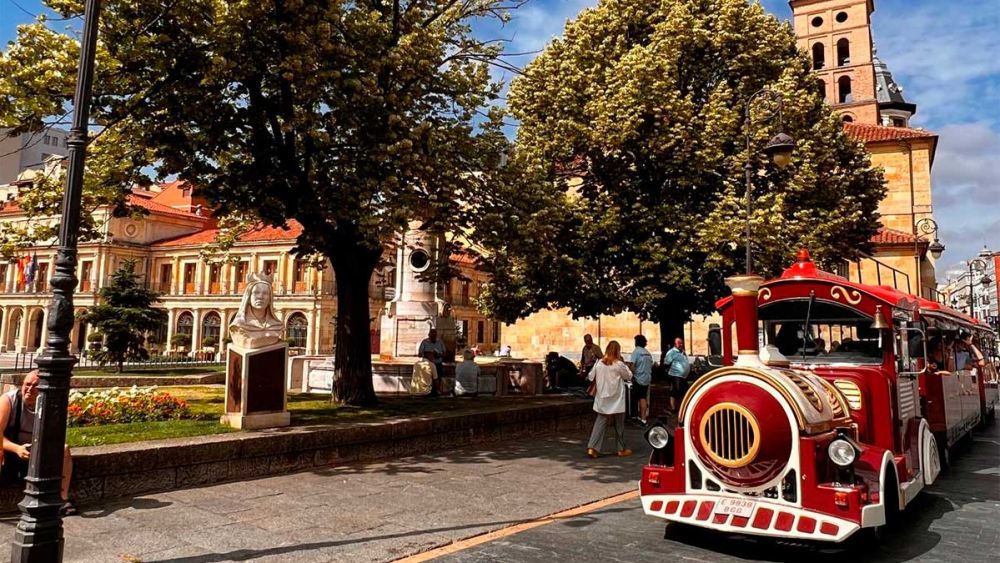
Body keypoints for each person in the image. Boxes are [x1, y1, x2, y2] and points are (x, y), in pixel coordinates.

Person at [0, 370, 75, 515]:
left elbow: (54, 436)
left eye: (35, 386)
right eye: (27, 384)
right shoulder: (8, 401)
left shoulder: (49, 404)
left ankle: (63, 499)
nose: (29, 389)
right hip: (10, 449)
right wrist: (16, 449)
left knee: (64, 449)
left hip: (34, 451)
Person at [586, 341, 632, 458]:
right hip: (616, 397)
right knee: (619, 424)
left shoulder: (599, 363)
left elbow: (591, 376)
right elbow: (628, 376)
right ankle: (621, 448)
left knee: (600, 422)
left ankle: (592, 447)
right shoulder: (618, 364)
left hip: (602, 397)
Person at [630, 335, 653, 425]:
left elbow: (632, 366)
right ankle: (643, 418)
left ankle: (637, 417)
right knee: (643, 397)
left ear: (636, 342)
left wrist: (632, 374)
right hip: (647, 378)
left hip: (638, 378)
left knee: (638, 398)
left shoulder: (636, 352)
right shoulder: (647, 353)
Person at [663, 338, 691, 411]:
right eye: (679, 343)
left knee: (682, 392)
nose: (681, 344)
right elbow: (666, 363)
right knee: (677, 392)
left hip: (683, 376)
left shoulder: (682, 352)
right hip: (675, 375)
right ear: (675, 344)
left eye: (682, 343)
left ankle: (679, 408)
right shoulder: (671, 352)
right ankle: (675, 408)